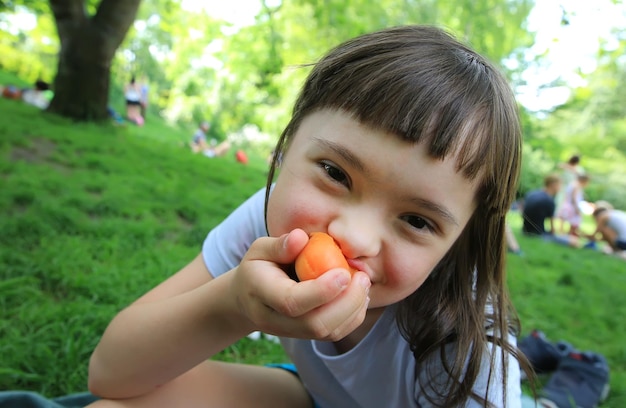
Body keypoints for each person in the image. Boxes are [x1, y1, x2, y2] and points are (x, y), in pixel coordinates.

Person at [86, 25, 530, 407]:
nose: (354, 237)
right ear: (285, 147)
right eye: (336, 173)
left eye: (417, 221)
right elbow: (111, 372)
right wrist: (234, 306)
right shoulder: (268, 222)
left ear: (461, 241)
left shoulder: (469, 350)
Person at [556, 173, 590, 237]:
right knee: (575, 221)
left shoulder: (572, 184)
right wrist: (577, 208)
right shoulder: (577, 185)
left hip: (567, 204)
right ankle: (569, 235)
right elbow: (574, 198)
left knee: (563, 221)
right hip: (572, 206)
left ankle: (562, 235)